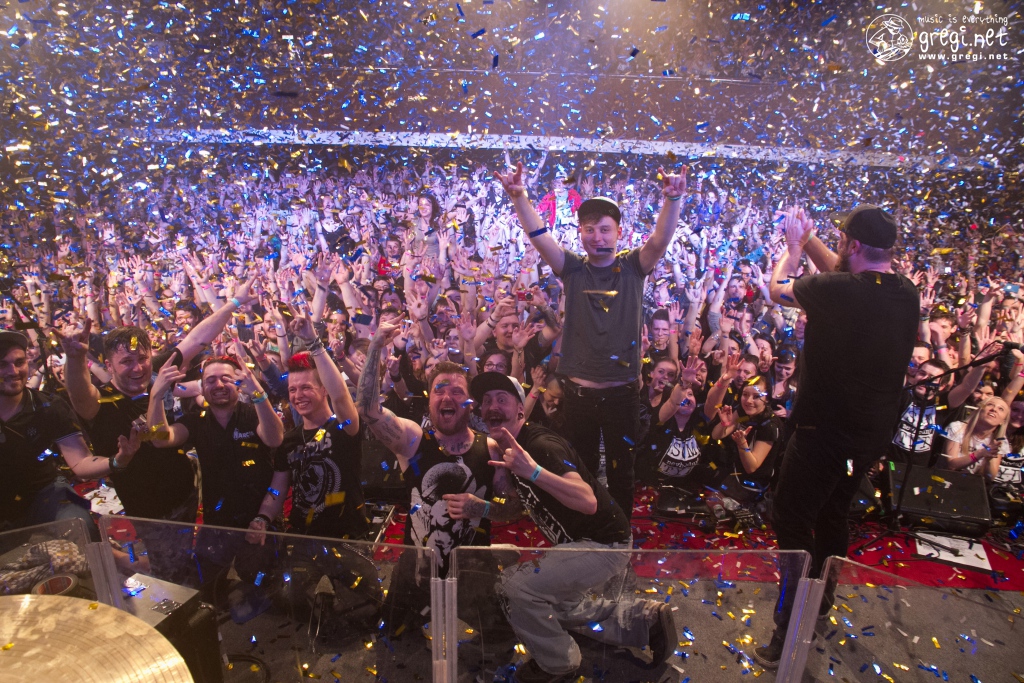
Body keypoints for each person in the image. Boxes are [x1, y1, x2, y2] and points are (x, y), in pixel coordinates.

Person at [755, 204, 919, 668]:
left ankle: (789, 627)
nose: (839, 246)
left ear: (854, 245)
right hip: (866, 440)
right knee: (833, 512)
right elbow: (846, 276)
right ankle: (822, 600)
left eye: (843, 239)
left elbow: (776, 289)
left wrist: (793, 249)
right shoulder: (905, 291)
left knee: (791, 519)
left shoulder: (839, 290)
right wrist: (811, 239)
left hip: (822, 436)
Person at [493, 160, 688, 519]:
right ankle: (586, 532)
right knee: (580, 471)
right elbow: (539, 237)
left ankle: (620, 537)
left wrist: (672, 199)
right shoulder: (573, 268)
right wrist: (518, 196)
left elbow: (660, 240)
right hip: (579, 395)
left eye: (605, 230)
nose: (597, 237)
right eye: (589, 229)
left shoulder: (633, 267)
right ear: (580, 232)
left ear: (619, 233)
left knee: (622, 474)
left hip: (622, 395)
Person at [461, 372, 677, 682]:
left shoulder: (539, 445)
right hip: (580, 545)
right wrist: (480, 507)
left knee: (514, 588)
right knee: (550, 606)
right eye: (486, 401)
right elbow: (518, 508)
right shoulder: (514, 450)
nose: (492, 406)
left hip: (603, 545)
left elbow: (587, 500)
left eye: (502, 399)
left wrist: (532, 471)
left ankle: (558, 664)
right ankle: (645, 621)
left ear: (520, 409)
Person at [355, 321, 521, 631]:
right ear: (429, 399)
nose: (447, 398)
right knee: (394, 640)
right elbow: (368, 410)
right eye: (439, 391)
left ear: (470, 404)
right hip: (416, 572)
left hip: (473, 574)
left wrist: (482, 508)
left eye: (457, 392)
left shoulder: (491, 449)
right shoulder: (413, 441)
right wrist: (375, 347)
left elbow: (514, 507)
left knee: (495, 642)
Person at [0, 330, 137, 536]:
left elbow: (80, 461)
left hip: (44, 496)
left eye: (19, 362)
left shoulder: (48, 406)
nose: (13, 371)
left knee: (79, 526)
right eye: (2, 364)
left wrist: (117, 461)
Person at [246, 309, 364, 541]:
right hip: (302, 538)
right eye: (292, 389)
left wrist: (313, 342)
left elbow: (340, 396)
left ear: (324, 389)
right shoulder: (289, 440)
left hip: (346, 539)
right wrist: (262, 518)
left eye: (306, 388)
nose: (298, 395)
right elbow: (277, 488)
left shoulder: (344, 428)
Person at [146, 353, 284, 529]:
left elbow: (274, 439)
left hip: (262, 519)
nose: (218, 385)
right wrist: (156, 394)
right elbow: (160, 439)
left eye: (226, 379)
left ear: (239, 386)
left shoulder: (253, 413)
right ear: (202, 389)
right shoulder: (196, 421)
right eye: (210, 381)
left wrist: (258, 393)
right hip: (217, 523)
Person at [941, 397, 1011, 479]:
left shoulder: (999, 440)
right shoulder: (957, 428)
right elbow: (952, 466)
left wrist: (989, 459)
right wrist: (980, 453)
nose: (994, 409)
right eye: (990, 404)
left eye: (1001, 409)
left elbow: (990, 477)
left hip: (973, 484)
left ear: (1002, 421)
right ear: (980, 409)